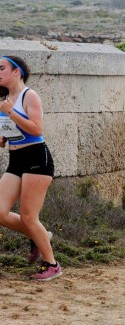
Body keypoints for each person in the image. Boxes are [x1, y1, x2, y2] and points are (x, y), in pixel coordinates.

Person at [0, 55, 62, 281]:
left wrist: (10, 113)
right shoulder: (6, 98)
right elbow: (12, 130)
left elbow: (36, 130)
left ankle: (52, 264)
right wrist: (3, 137)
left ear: (17, 72)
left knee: (28, 216)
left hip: (37, 158)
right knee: (0, 211)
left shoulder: (29, 95)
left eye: (2, 68)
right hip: (16, 159)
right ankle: (42, 236)